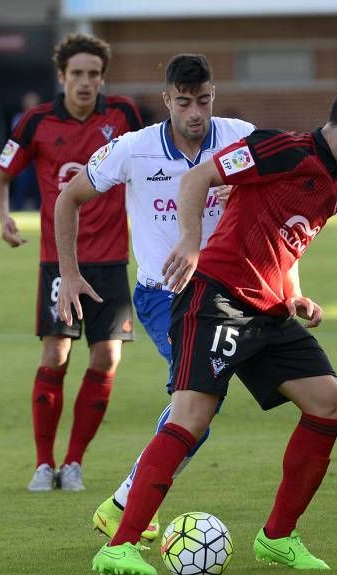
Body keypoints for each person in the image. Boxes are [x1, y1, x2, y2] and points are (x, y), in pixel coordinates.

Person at [87, 78, 337, 575]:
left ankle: (277, 538)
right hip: (215, 299)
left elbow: (283, 244)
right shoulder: (282, 148)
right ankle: (121, 544)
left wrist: (294, 293)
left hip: (269, 312)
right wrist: (192, 242)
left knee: (329, 403)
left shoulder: (336, 185)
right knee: (191, 416)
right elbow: (199, 179)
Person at [54, 54, 255, 541]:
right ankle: (126, 504)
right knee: (197, 403)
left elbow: (278, 202)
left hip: (229, 295)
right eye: (183, 102)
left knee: (199, 410)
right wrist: (70, 273)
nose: (195, 113)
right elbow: (68, 199)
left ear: (214, 97)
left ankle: (127, 503)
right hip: (165, 296)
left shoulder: (241, 138)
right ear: (166, 100)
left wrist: (247, 196)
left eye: (203, 101)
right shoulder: (133, 149)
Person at [0, 33, 143, 493]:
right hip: (59, 261)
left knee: (107, 356)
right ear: (61, 76)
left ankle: (73, 463)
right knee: (56, 353)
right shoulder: (35, 122)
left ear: (102, 78)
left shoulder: (124, 115)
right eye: (76, 73)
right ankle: (42, 463)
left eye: (94, 74)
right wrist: (3, 218)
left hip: (111, 260)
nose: (85, 82)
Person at [10, 92, 43, 211]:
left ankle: (41, 207)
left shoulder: (42, 119)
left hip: (37, 157)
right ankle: (18, 207)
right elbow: (16, 138)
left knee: (39, 182)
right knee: (21, 182)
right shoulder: (18, 118)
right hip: (23, 157)